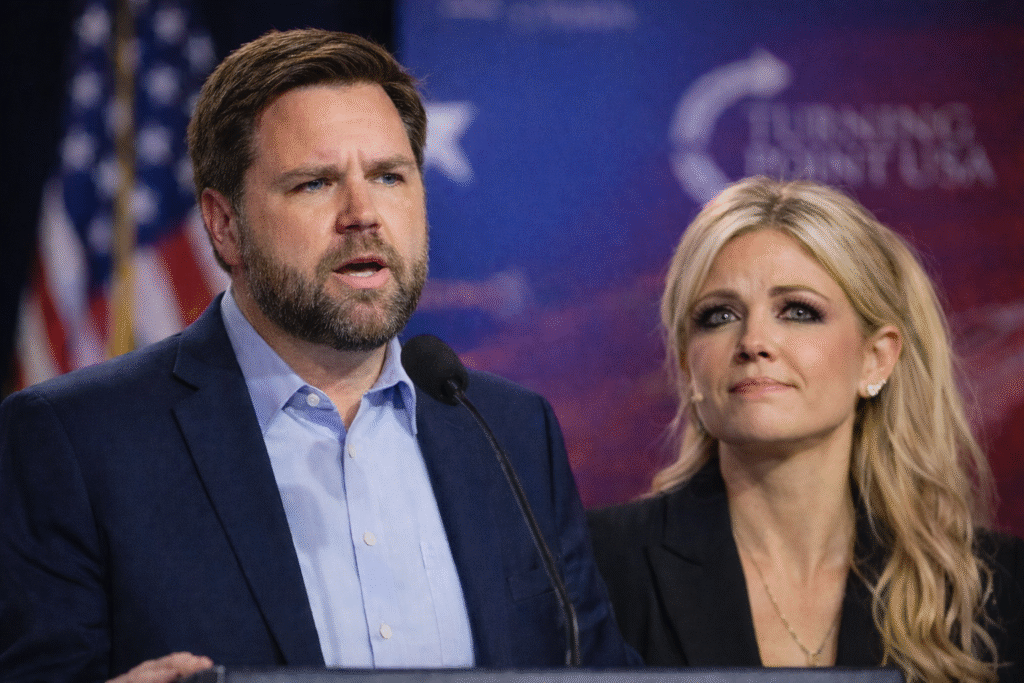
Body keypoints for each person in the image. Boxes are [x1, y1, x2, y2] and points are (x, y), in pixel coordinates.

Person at [0, 29, 637, 682]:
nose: (363, 214)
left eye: (390, 176)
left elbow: (595, 666)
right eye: (314, 183)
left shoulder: (510, 431)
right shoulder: (79, 442)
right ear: (224, 224)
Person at [588, 177, 1024, 682]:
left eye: (798, 311)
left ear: (875, 359)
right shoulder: (597, 565)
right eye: (719, 315)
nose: (753, 341)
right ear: (689, 365)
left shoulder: (995, 587)